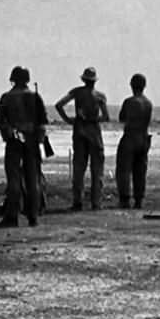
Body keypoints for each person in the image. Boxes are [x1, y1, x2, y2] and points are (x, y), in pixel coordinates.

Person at [0, 65, 52, 228]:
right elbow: (43, 122)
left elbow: (1, 121)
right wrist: (40, 140)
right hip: (32, 140)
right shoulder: (35, 97)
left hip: (14, 141)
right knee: (33, 179)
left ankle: (12, 216)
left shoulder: (7, 97)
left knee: (13, 179)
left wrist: (9, 134)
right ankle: (33, 216)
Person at [55, 66, 109, 211]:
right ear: (94, 81)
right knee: (97, 169)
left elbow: (59, 105)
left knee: (79, 168)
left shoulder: (76, 92)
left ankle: (77, 201)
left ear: (84, 80)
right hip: (94, 132)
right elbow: (106, 116)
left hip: (79, 131)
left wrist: (68, 120)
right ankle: (96, 202)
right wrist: (94, 119)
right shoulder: (100, 96)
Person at [114, 73, 154, 209]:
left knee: (124, 169)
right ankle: (139, 199)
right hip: (144, 138)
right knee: (140, 170)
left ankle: (124, 199)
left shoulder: (129, 102)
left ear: (132, 85)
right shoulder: (148, 103)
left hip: (131, 136)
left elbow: (122, 118)